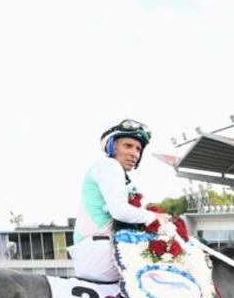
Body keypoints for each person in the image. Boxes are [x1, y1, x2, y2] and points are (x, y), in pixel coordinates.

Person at [70, 119, 164, 282]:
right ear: (111, 146)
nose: (135, 153)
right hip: (99, 253)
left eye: (138, 149)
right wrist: (154, 217)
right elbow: (120, 210)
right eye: (127, 146)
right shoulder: (109, 165)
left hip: (98, 250)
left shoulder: (117, 173)